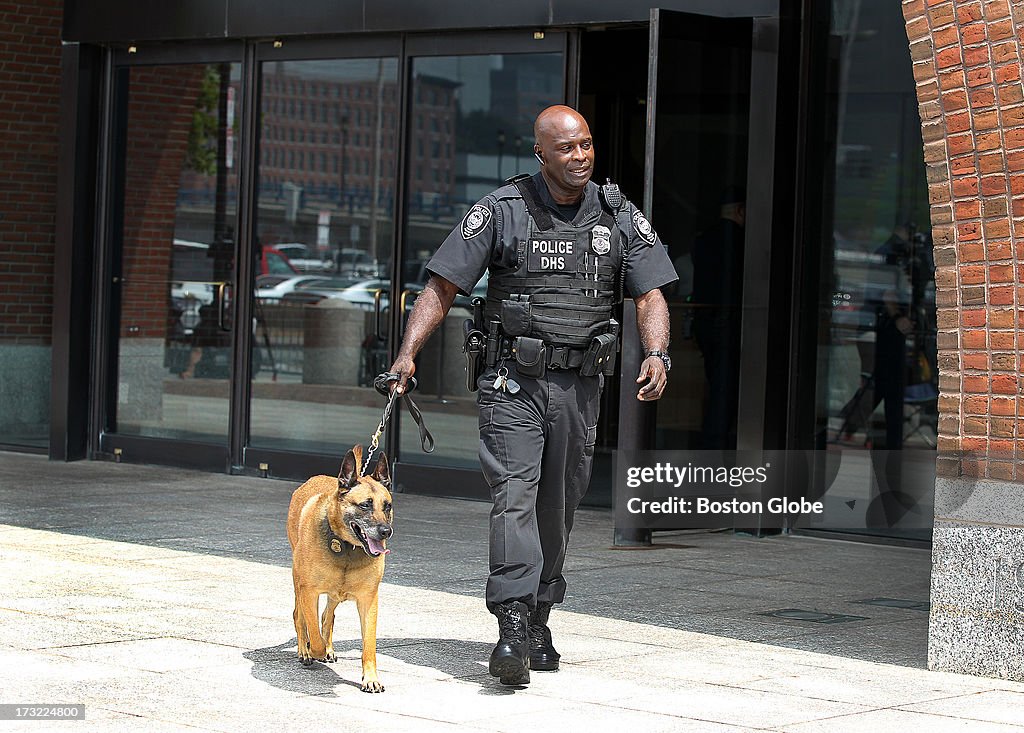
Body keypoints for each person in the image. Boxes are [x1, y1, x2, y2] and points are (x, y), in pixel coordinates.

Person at [387, 105, 676, 685]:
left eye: (587, 145)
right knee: (514, 493)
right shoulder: (501, 210)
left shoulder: (619, 214)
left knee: (559, 504)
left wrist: (657, 352)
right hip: (512, 383)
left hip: (578, 386)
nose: (580, 157)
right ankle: (512, 623)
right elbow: (442, 286)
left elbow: (650, 294)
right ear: (540, 154)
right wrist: (407, 353)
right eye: (566, 148)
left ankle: (541, 615)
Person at [690, 186, 745, 449]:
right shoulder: (741, 243)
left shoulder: (703, 240)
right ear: (740, 211)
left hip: (704, 321)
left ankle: (711, 440)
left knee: (715, 382)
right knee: (726, 389)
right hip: (729, 321)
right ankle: (716, 443)